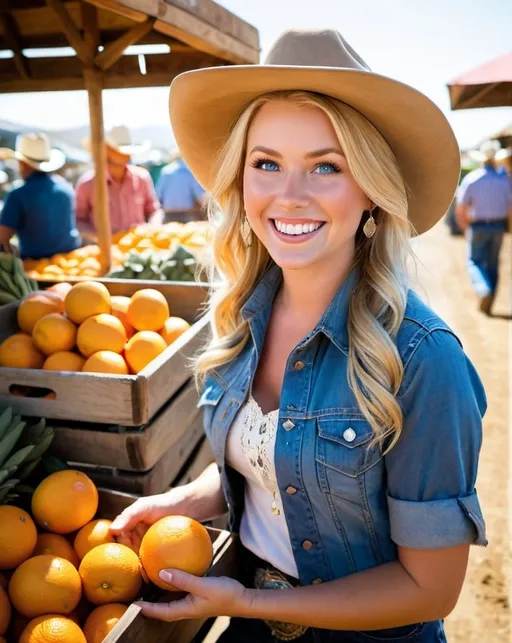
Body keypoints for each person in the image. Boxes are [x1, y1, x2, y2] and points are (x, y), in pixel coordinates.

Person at [110, 29, 487, 642]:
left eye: (326, 166)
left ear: (370, 191)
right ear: (240, 180)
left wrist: (247, 603)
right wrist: (188, 501)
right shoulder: (238, 317)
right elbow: (271, 461)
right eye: (266, 163)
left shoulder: (422, 358)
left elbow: (431, 589)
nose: (289, 195)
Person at [0, 133, 81, 258]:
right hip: (70, 260)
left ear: (23, 163)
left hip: (35, 264)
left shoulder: (19, 194)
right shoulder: (66, 188)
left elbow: (2, 237)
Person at [75, 125, 163, 239]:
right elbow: (78, 220)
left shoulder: (142, 178)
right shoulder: (87, 184)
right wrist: (99, 237)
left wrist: (152, 228)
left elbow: (154, 210)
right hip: (104, 250)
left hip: (139, 245)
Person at [456, 141, 512, 315]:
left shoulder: (472, 179)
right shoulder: (504, 181)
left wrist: (465, 227)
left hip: (478, 226)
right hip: (498, 226)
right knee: (493, 264)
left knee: (474, 261)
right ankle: (490, 301)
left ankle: (483, 290)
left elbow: (461, 207)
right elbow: (510, 207)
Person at [156, 152, 207, 223]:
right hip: (187, 215)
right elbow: (200, 197)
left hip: (168, 214)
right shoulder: (190, 171)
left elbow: (158, 195)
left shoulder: (166, 171)